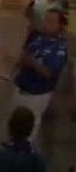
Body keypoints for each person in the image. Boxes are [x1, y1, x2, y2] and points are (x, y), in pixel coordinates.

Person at [16, 9, 71, 145]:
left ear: (60, 25)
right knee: (14, 125)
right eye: (46, 20)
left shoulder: (60, 48)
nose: (46, 24)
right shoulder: (38, 38)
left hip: (37, 94)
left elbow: (49, 73)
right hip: (20, 87)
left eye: (51, 22)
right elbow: (23, 58)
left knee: (28, 130)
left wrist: (31, 62)